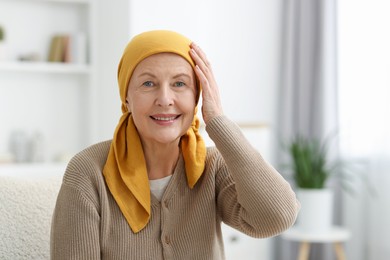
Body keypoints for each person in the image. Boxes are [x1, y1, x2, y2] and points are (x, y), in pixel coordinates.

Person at [50, 30, 300, 259]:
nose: (165, 99)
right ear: (126, 96)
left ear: (198, 96)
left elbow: (277, 217)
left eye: (180, 84)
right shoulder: (87, 171)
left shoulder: (212, 167)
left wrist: (218, 121)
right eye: (148, 84)